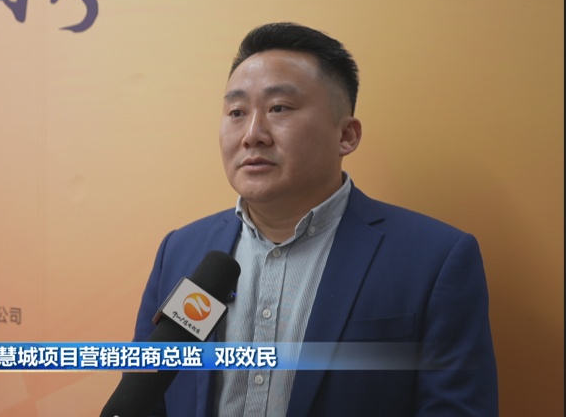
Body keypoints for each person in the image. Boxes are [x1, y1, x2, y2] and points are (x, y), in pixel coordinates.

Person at [131, 22, 498, 417]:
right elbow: (142, 398)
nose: (252, 134)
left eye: (279, 108)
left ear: (346, 136)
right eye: (236, 112)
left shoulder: (434, 259)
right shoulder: (181, 250)